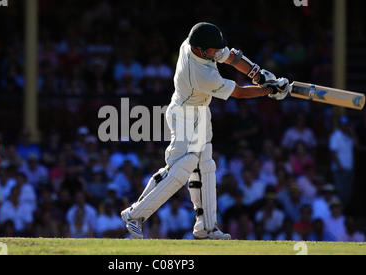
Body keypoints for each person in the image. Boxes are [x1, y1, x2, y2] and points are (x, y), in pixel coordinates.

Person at [121, 22, 291, 240]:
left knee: (206, 167)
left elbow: (232, 57)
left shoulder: (196, 44)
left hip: (200, 113)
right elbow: (238, 93)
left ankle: (207, 228)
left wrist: (258, 74)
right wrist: (269, 89)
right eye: (213, 49)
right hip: (184, 115)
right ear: (200, 50)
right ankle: (134, 215)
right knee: (181, 168)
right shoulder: (200, 73)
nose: (217, 51)